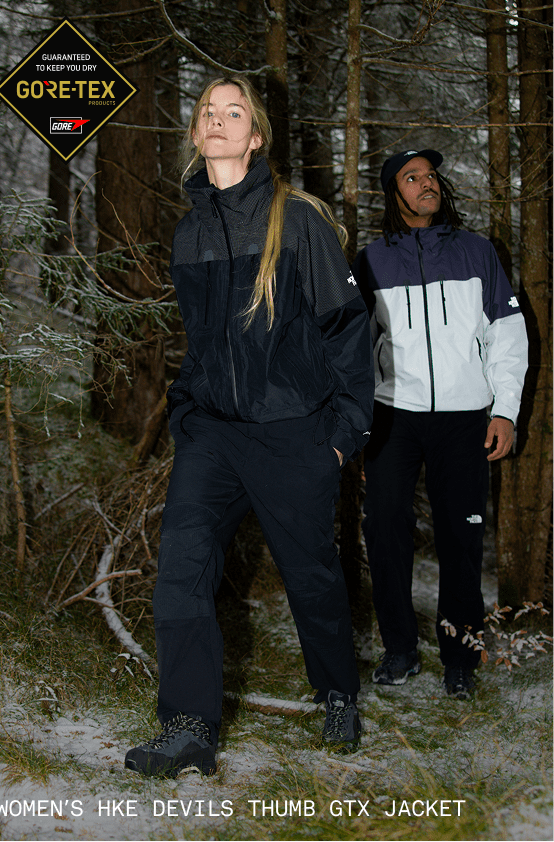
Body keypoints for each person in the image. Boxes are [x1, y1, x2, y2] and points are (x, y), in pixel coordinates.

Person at [124, 77, 374, 778]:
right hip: (213, 433)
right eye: (209, 111)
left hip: (294, 431)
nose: (219, 120)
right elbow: (199, 341)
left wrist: (343, 433)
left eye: (234, 112)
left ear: (256, 136)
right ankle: (188, 726)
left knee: (312, 577)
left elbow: (348, 330)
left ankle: (336, 694)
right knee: (181, 567)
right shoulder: (190, 229)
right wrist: (187, 414)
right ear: (197, 132)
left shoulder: (297, 221)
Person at [353, 149, 527, 699]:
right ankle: (399, 649)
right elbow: (354, 347)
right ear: (393, 193)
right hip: (392, 416)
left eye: (430, 176)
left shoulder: (477, 251)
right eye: (412, 177)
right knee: (384, 531)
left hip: (464, 415)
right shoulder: (369, 262)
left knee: (461, 537)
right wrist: (354, 420)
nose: (427, 184)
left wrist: (504, 410)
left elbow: (507, 336)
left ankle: (460, 658)